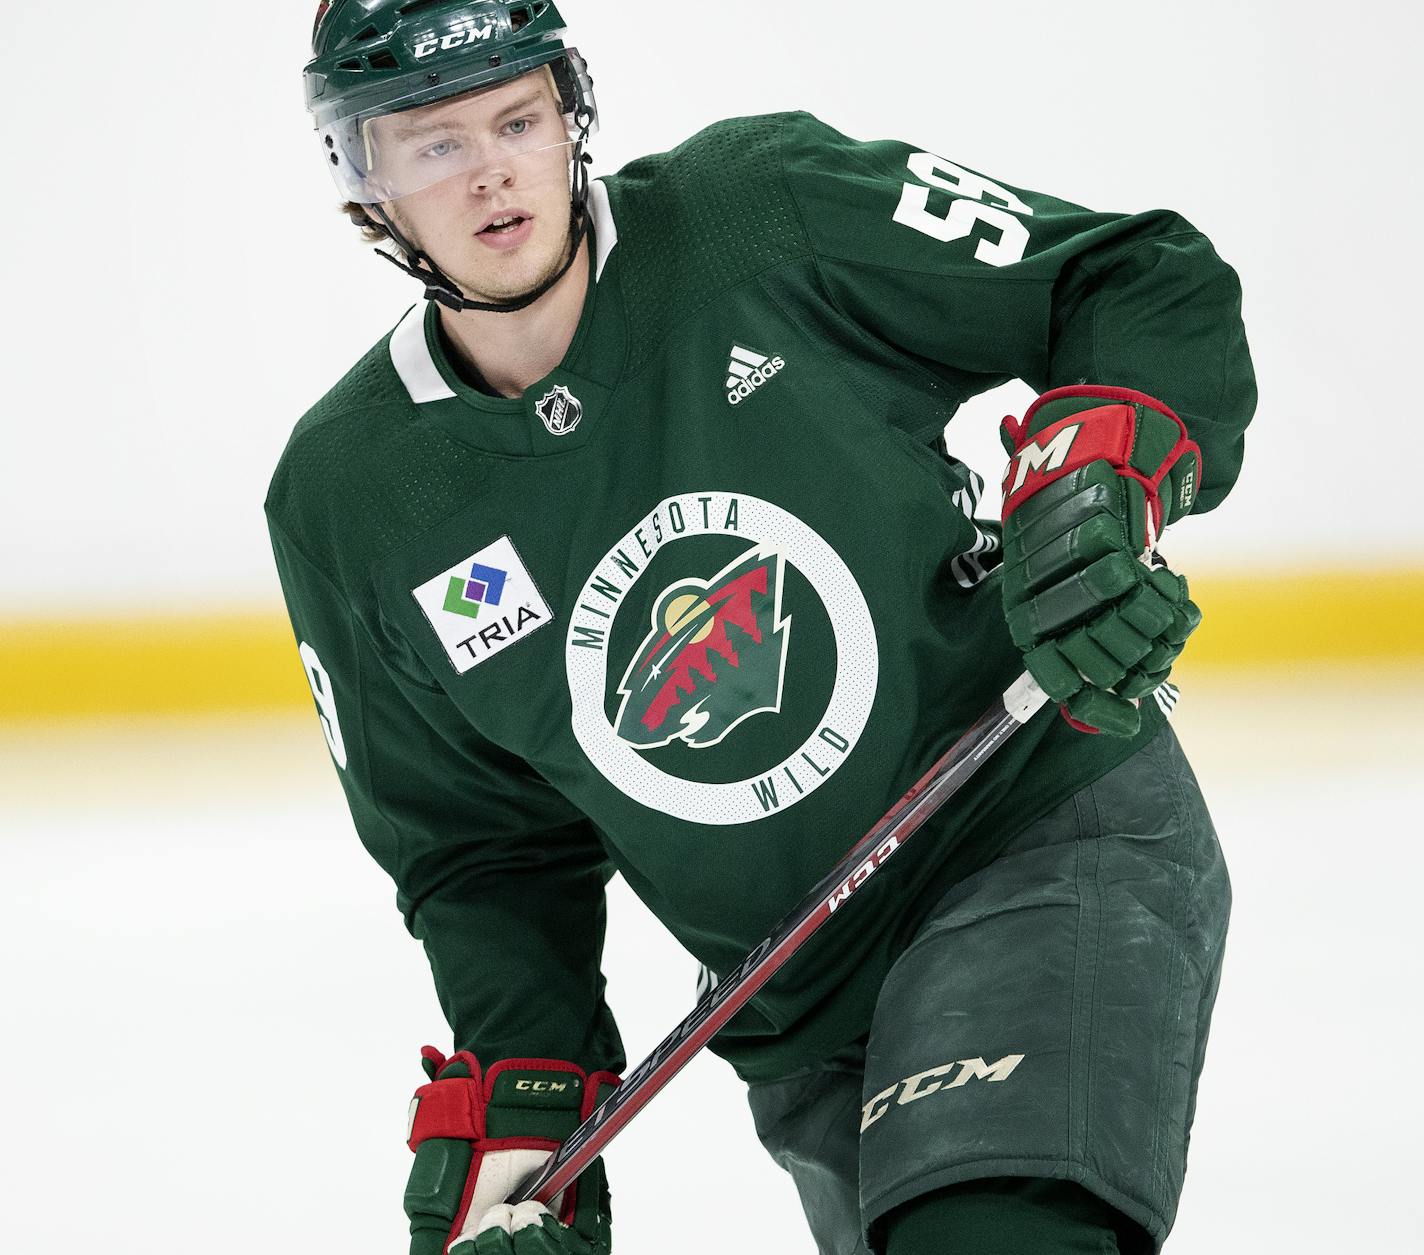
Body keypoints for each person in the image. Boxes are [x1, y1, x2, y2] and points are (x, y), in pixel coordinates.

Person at [268, 3, 1255, 1253]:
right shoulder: (353, 499)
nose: (492, 171)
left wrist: (1096, 483)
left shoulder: (762, 209)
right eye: (431, 144)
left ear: (569, 110)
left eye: (516, 119)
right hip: (796, 1003)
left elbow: (1127, 275)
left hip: (1030, 828)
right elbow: (479, 854)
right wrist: (525, 1086)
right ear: (365, 185)